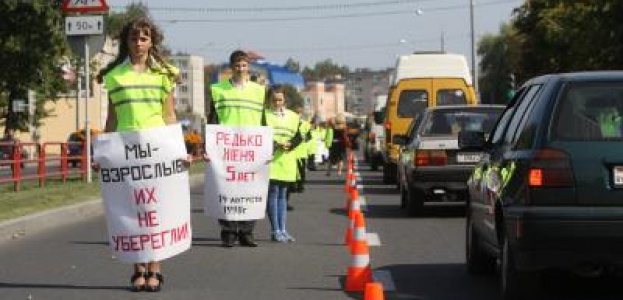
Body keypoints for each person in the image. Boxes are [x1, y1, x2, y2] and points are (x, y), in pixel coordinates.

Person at [96, 17, 182, 293]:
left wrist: (179, 151)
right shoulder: (114, 76)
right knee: (131, 211)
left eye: (144, 38)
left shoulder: (165, 74)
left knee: (155, 211)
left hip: (157, 150)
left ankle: (155, 269)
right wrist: (103, 154)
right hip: (124, 151)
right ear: (127, 42)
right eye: (134, 38)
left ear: (152, 42)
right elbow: (111, 119)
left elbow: (169, 115)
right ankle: (137, 269)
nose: (138, 43)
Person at [207, 50, 266, 248]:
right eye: (237, 65)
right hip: (226, 148)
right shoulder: (218, 89)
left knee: (250, 190)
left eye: (244, 65)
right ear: (231, 67)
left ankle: (247, 232)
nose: (241, 68)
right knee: (227, 190)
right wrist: (210, 145)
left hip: (251, 149)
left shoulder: (259, 90)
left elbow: (263, 120)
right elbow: (212, 119)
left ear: (248, 67)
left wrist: (267, 146)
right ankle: (229, 231)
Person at [265, 85, 302, 242]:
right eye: (274, 100)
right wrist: (276, 144)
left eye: (280, 99)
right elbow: (260, 135)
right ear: (269, 100)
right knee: (273, 194)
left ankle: (283, 229)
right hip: (271, 160)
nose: (277, 102)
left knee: (283, 196)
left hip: (287, 160)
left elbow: (299, 136)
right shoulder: (264, 115)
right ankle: (275, 230)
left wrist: (290, 144)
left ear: (284, 99)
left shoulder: (294, 116)